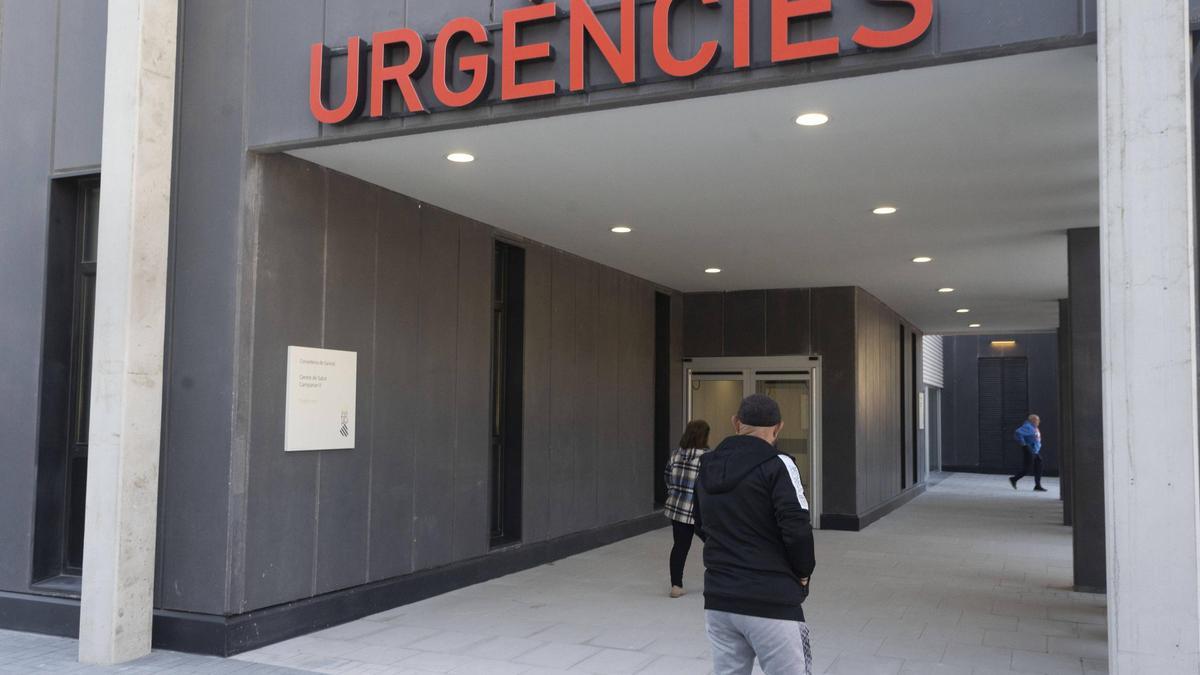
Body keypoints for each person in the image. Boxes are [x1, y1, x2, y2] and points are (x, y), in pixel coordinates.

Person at [695, 394, 815, 675]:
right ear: (779, 428)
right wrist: (803, 572)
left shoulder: (707, 465)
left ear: (736, 423)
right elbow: (797, 527)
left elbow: (700, 523)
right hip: (772, 601)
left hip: (719, 600)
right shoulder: (780, 464)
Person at [663, 420, 711, 598]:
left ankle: (676, 585)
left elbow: (667, 477)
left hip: (677, 509)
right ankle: (720, 581)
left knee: (680, 547)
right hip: (699, 512)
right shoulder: (707, 457)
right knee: (716, 545)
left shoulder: (676, 454)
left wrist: (674, 494)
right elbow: (710, 485)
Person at [1010, 414, 1046, 492]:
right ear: (1033, 420)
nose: (1039, 422)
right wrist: (1024, 445)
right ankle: (1014, 479)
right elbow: (1018, 432)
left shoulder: (1033, 427)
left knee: (1039, 466)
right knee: (1027, 468)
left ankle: (1037, 485)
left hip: (1034, 451)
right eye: (1037, 420)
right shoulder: (1028, 426)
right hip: (1029, 450)